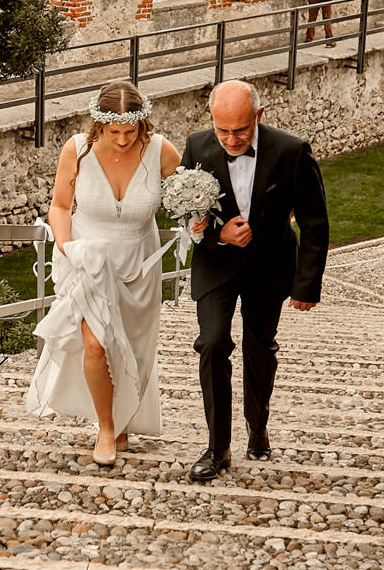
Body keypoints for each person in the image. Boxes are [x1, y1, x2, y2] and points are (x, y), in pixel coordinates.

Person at [26, 81, 185, 467]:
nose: (122, 140)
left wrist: (195, 219)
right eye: (114, 132)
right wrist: (65, 248)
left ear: (141, 124)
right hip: (88, 260)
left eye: (130, 131)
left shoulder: (161, 151)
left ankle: (125, 414)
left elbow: (187, 198)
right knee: (96, 345)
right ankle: (106, 427)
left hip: (139, 266)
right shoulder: (76, 150)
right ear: (99, 125)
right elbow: (60, 207)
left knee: (131, 350)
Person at [180, 81, 330, 482]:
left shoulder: (291, 151)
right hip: (216, 263)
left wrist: (306, 285)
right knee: (212, 343)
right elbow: (183, 214)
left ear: (259, 117)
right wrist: (216, 234)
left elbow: (315, 221)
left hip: (270, 265)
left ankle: (257, 425)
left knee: (259, 349)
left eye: (240, 131)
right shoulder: (196, 147)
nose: (230, 139)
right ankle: (217, 448)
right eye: (223, 130)